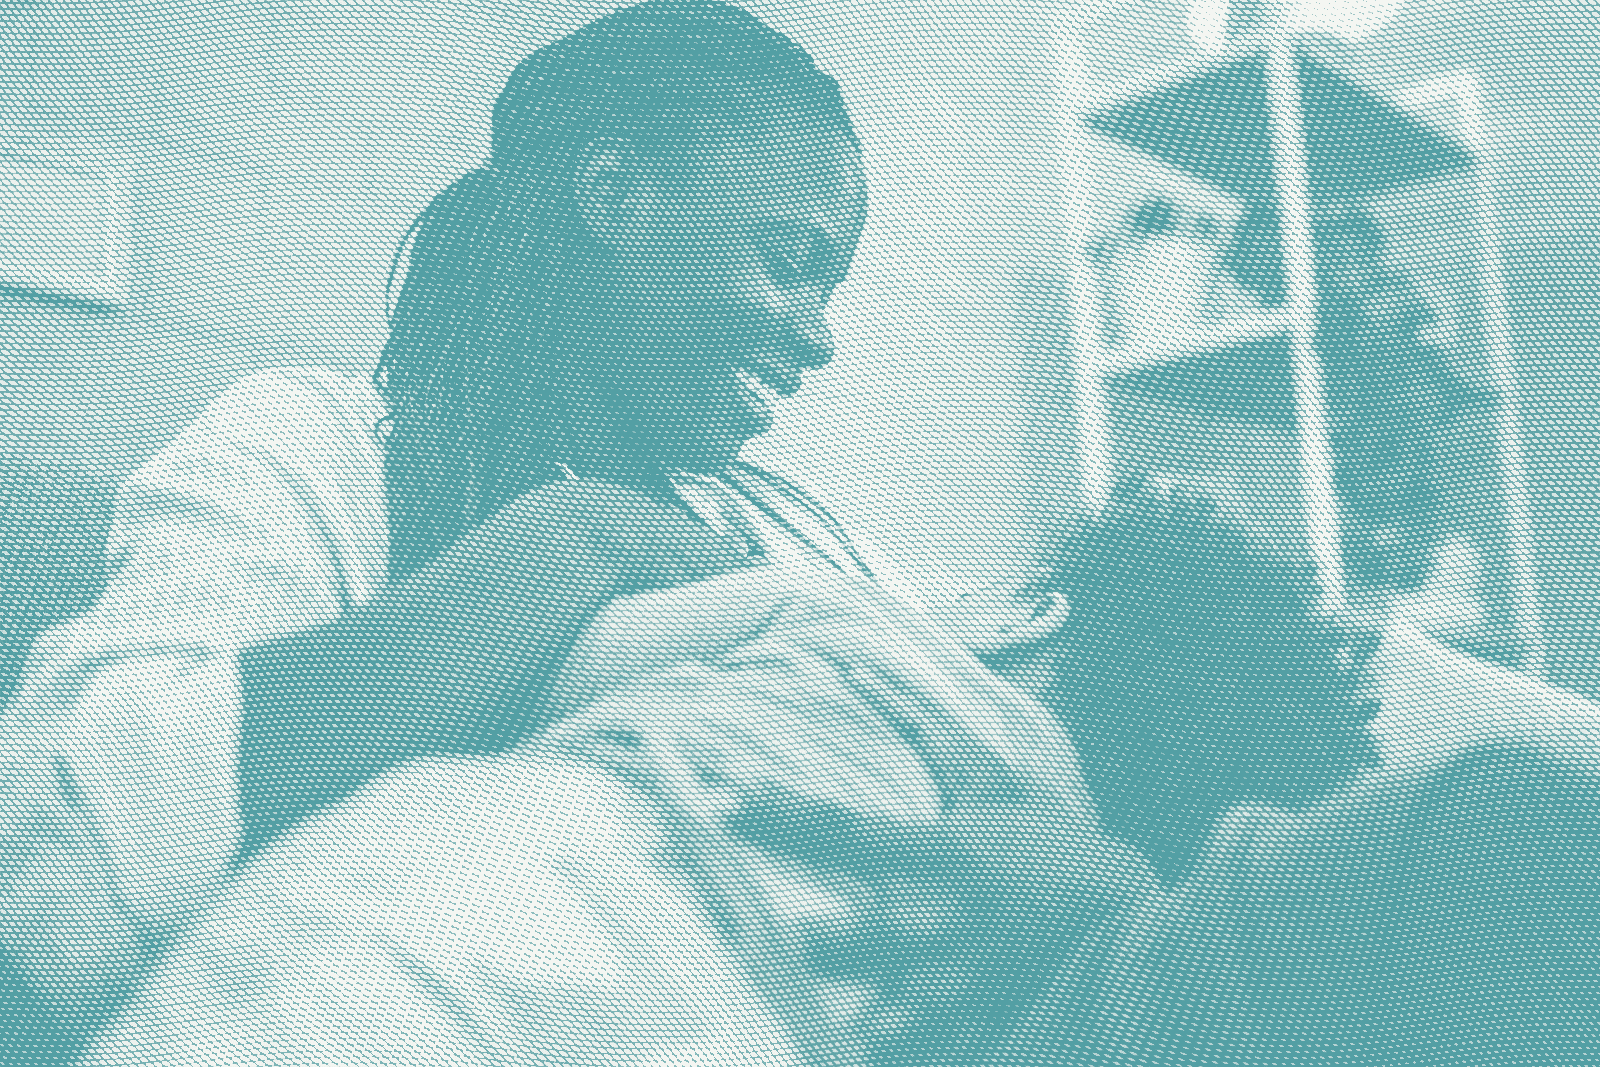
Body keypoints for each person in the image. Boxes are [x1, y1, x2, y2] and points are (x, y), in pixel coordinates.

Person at [73, 3, 1147, 1064]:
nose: (821, 339)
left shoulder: (792, 531)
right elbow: (67, 844)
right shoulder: (314, 449)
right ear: (612, 190)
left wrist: (1107, 895)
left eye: (831, 290)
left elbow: (964, 733)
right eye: (789, 260)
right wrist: (577, 542)